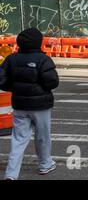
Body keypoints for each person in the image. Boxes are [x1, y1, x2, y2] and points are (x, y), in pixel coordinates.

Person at [0, 28, 59, 180]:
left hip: (19, 104)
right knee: (42, 136)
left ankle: (11, 174)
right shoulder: (43, 59)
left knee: (18, 139)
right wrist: (41, 89)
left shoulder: (11, 59)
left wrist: (14, 88)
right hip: (41, 105)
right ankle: (45, 164)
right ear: (39, 42)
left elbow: (2, 80)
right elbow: (52, 82)